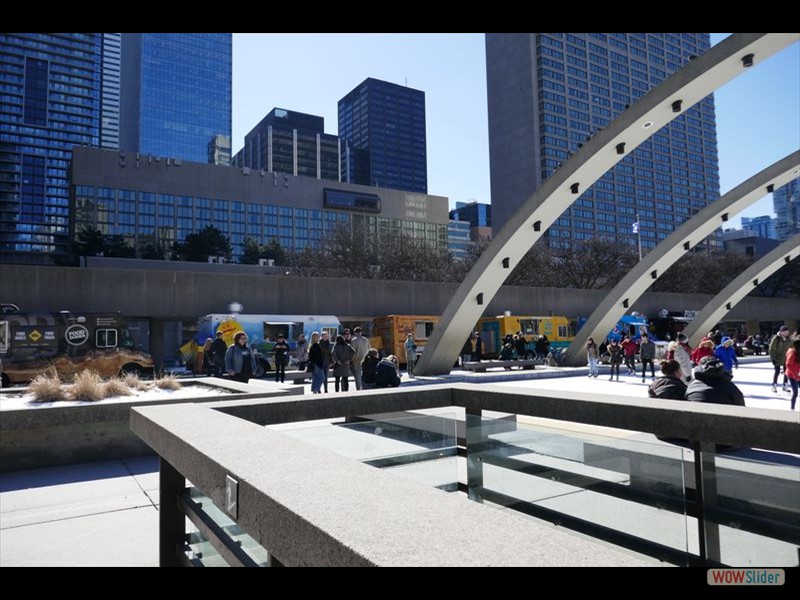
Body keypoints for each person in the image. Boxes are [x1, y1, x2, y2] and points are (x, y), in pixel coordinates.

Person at [768, 326, 792, 393]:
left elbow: (792, 347)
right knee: (777, 371)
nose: (786, 333)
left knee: (786, 372)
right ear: (781, 332)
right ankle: (774, 386)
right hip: (777, 358)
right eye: (785, 332)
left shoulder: (788, 339)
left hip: (786, 358)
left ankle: (785, 385)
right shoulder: (776, 338)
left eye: (787, 332)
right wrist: (773, 358)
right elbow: (771, 349)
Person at [785, 339, 800, 410]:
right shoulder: (792, 352)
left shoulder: (798, 352)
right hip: (791, 375)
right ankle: (792, 408)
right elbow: (788, 364)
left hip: (797, 374)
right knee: (795, 392)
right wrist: (795, 375)